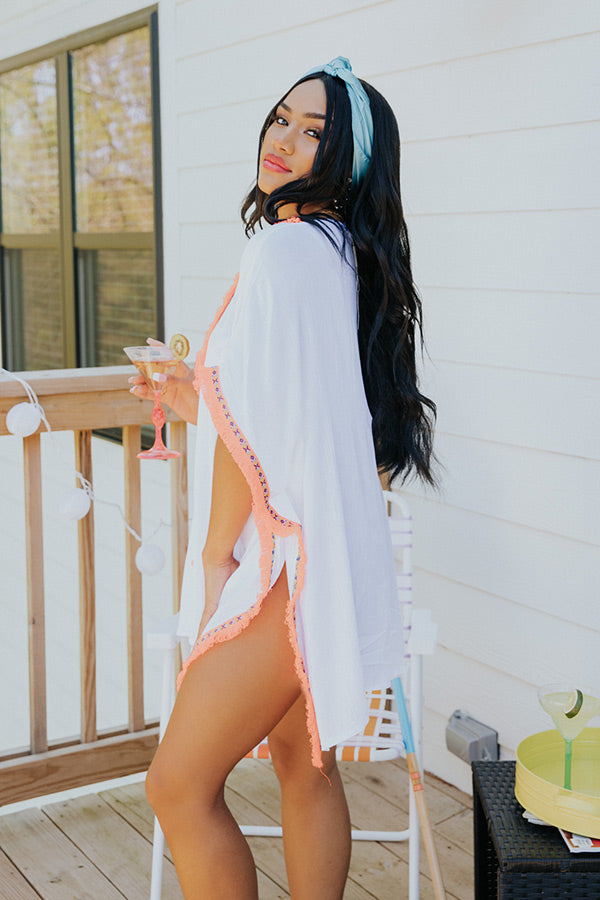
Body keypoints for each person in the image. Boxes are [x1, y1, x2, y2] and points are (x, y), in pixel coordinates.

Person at [131, 56, 436, 900]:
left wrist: (215, 558)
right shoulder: (343, 254)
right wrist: (194, 396)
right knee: (307, 769)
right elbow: (294, 417)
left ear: (348, 161)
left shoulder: (282, 251)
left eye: (314, 133)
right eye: (282, 119)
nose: (286, 140)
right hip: (333, 555)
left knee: (176, 788)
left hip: (284, 566)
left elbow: (252, 432)